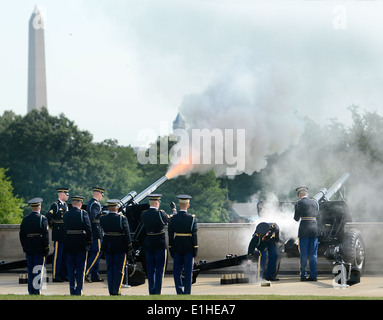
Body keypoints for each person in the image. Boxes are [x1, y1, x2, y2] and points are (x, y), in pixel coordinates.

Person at [100, 199, 132, 295]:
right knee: (119, 269)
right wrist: (129, 246)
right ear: (117, 208)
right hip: (120, 246)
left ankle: (111, 291)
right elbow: (127, 234)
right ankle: (116, 291)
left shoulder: (103, 218)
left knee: (110, 269)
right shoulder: (122, 218)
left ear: (109, 208)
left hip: (108, 246)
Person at [168, 194, 198, 295]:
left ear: (179, 205)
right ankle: (187, 292)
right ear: (188, 205)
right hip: (189, 246)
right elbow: (194, 235)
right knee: (188, 271)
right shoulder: (192, 218)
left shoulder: (173, 218)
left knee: (177, 271)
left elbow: (170, 235)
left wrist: (170, 248)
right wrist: (195, 248)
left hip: (177, 246)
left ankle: (179, 291)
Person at [141, 193, 170, 295]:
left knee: (150, 268)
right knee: (159, 269)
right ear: (157, 203)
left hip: (149, 243)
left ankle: (151, 291)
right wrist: (174, 210)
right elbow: (169, 220)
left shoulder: (144, 214)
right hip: (159, 243)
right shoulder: (161, 214)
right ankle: (157, 291)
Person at [19, 197, 49, 295]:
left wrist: (24, 246)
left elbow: (22, 234)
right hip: (39, 247)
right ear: (39, 207)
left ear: (32, 208)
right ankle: (37, 290)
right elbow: (45, 235)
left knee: (30, 269)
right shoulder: (42, 218)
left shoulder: (26, 219)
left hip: (28, 247)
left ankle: (31, 290)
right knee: (38, 269)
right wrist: (46, 247)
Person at [63, 196, 92, 295]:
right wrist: (89, 241)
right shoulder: (83, 213)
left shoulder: (66, 214)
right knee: (80, 268)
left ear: (72, 204)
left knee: (70, 268)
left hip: (69, 243)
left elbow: (64, 229)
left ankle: (72, 290)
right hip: (81, 243)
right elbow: (88, 228)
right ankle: (79, 290)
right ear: (80, 204)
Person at [294, 187, 320, 281]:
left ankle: (303, 275)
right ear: (307, 194)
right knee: (313, 254)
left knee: (303, 254)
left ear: (300, 195)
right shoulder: (314, 202)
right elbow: (318, 215)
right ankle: (314, 276)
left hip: (304, 230)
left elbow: (296, 218)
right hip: (314, 230)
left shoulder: (298, 203)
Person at [46, 187, 69, 282]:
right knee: (57, 256)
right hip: (58, 233)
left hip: (64, 234)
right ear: (61, 194)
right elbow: (48, 217)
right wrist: (53, 226)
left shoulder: (65, 205)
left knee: (64, 256)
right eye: (66, 194)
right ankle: (56, 275)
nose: (68, 196)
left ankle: (64, 274)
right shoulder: (55, 205)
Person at [85, 187, 104, 282]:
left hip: (94, 231)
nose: (102, 197)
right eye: (101, 194)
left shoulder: (91, 202)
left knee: (97, 253)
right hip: (96, 232)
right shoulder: (95, 204)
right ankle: (86, 272)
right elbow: (93, 217)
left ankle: (95, 275)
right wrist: (103, 215)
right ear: (98, 194)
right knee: (96, 252)